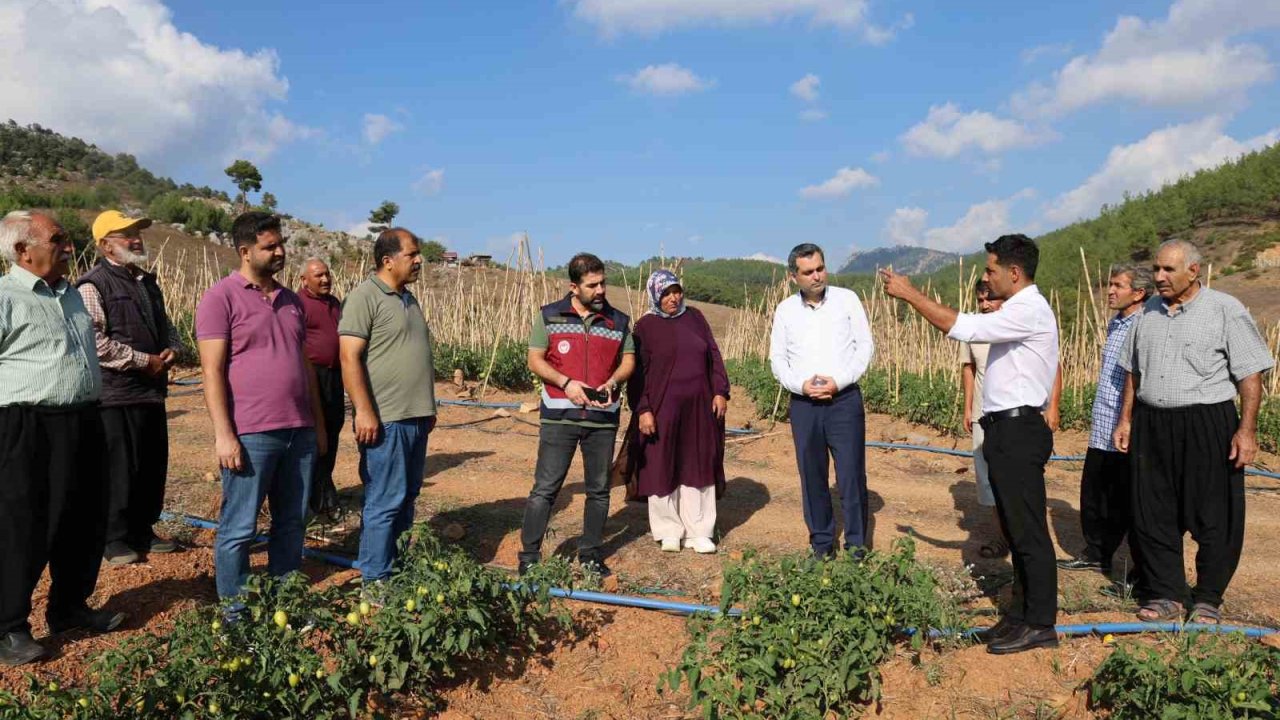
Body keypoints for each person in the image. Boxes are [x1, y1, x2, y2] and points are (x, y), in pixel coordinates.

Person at [881, 234, 1059, 655]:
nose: (986, 277)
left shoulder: (1029, 309)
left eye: (991, 270)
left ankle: (1040, 623)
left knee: (1029, 532)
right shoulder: (1017, 309)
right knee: (1015, 529)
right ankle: (1019, 616)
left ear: (1014, 273)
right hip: (1003, 429)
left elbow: (962, 326)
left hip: (1018, 431)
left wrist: (910, 294)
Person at [1113, 239, 1274, 625]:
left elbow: (1250, 374)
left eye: (1168, 270)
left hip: (1207, 422)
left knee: (1214, 512)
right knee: (1151, 511)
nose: (1159, 277)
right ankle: (1166, 593)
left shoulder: (1225, 310)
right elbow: (1133, 372)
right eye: (1156, 269)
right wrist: (1126, 419)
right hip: (1153, 423)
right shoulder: (1146, 313)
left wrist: (1246, 430)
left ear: (1194, 271)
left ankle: (1207, 598)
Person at [0, 211, 124, 666]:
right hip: (26, 426)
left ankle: (69, 607)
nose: (69, 247)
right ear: (22, 250)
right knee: (23, 526)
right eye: (58, 239)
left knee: (84, 519)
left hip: (84, 419)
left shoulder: (70, 294)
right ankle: (8, 626)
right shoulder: (4, 297)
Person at [196, 211, 327, 604]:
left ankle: (282, 601)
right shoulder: (220, 298)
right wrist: (225, 435)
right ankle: (235, 612)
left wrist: (317, 426)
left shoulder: (291, 301)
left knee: (292, 523)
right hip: (252, 433)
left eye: (280, 244)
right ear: (245, 251)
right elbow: (212, 370)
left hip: (299, 431)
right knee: (239, 527)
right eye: (270, 247)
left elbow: (305, 367)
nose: (280, 252)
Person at [75, 211, 183, 565]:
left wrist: (173, 350)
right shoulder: (93, 284)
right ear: (105, 244)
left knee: (151, 466)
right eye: (126, 235)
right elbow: (94, 340)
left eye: (136, 233)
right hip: (117, 394)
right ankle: (114, 537)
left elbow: (168, 327)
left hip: (151, 392)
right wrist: (143, 361)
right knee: (119, 469)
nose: (136, 239)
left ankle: (143, 530)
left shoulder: (147, 282)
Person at [519, 253, 635, 577]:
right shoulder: (549, 316)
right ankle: (528, 557)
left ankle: (590, 554)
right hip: (560, 417)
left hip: (602, 418)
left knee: (598, 490)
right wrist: (565, 383)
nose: (600, 290)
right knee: (546, 489)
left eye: (603, 283)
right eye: (592, 285)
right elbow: (535, 359)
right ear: (574, 286)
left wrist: (614, 380)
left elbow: (628, 360)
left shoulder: (619, 321)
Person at [339, 229, 437, 586]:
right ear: (387, 260)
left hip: (415, 417)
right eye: (412, 254)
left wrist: (428, 408)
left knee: (407, 496)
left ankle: (396, 569)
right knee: (384, 500)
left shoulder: (408, 298)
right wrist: (364, 411)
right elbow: (349, 357)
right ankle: (376, 581)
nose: (418, 260)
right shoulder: (365, 297)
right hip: (385, 419)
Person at [769, 243, 874, 558]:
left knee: (851, 474)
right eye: (808, 272)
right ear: (793, 277)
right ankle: (822, 544)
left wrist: (838, 381)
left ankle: (856, 546)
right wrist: (800, 385)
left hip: (843, 401)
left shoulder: (847, 300)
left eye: (820, 268)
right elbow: (777, 359)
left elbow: (864, 347)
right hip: (804, 405)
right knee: (812, 475)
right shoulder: (785, 310)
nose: (816, 276)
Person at [1057, 265, 1152, 590]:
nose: (1110, 291)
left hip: (1125, 427)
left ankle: (1139, 572)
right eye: (1110, 284)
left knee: (1126, 499)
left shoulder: (1143, 324)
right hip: (1104, 423)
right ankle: (1096, 552)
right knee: (1095, 492)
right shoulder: (1117, 323)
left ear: (1138, 293)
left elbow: (1136, 378)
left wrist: (1127, 420)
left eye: (1117, 285)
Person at [626, 270, 730, 553]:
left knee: (697, 463)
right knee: (662, 464)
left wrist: (720, 390)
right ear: (655, 296)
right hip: (662, 408)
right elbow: (638, 375)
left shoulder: (695, 317)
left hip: (699, 406)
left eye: (676, 291)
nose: (673, 298)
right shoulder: (645, 327)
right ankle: (668, 530)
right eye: (666, 293)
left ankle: (699, 531)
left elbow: (713, 354)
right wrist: (644, 409)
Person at [960, 281, 1007, 559]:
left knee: (1012, 478)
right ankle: (1001, 537)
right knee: (987, 479)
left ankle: (1018, 536)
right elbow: (969, 369)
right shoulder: (973, 328)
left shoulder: (1015, 326)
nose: (985, 304)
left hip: (1010, 417)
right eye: (981, 300)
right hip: (981, 414)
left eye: (990, 299)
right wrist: (968, 409)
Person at [298, 257, 344, 522]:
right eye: (318, 275)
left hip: (334, 377)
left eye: (327, 274)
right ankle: (315, 497)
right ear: (304, 280)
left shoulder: (335, 303)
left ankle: (324, 488)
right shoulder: (298, 304)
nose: (325, 279)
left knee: (332, 432)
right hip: (311, 378)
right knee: (316, 437)